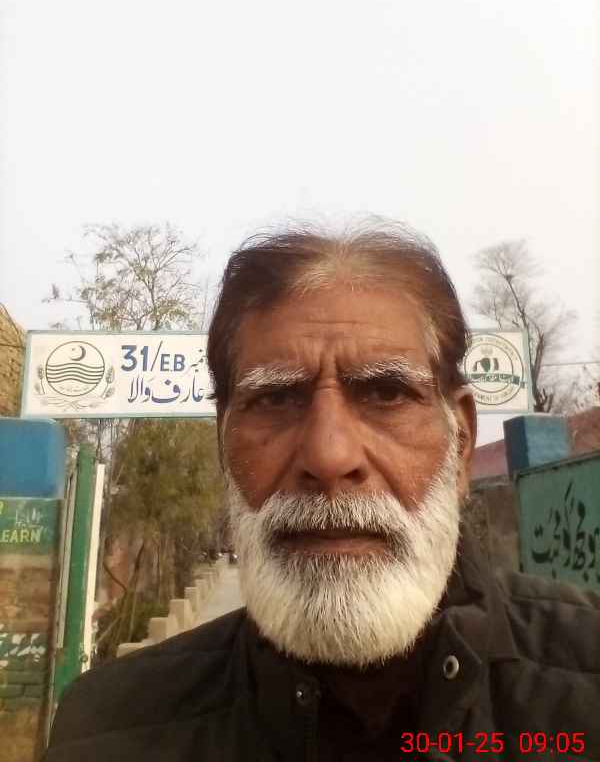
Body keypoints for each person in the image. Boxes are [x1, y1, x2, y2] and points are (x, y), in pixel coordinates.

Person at [45, 217, 600, 762]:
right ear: (223, 444)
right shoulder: (106, 731)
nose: (329, 457)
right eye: (276, 399)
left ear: (460, 443)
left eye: (386, 394)